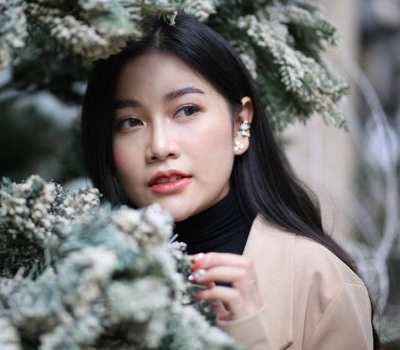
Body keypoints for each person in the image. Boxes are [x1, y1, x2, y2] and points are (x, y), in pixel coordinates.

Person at [81, 13, 377, 350]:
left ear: (240, 124)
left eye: (186, 110)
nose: (160, 147)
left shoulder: (319, 279)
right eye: (131, 121)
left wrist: (249, 333)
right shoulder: (81, 279)